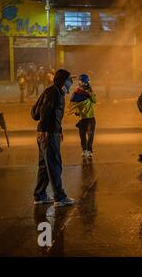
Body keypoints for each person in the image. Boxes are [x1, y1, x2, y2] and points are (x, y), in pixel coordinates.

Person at [33, 69, 75, 207]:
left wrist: (59, 129)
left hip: (50, 131)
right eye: (69, 80)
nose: (71, 83)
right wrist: (44, 130)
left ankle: (40, 195)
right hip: (48, 134)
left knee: (45, 166)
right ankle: (60, 197)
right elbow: (45, 110)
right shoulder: (54, 92)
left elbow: (53, 114)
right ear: (63, 81)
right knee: (54, 165)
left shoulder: (56, 91)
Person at [68, 74, 97, 158]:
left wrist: (89, 92)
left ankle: (89, 150)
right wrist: (76, 111)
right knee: (82, 136)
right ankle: (84, 150)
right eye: (80, 81)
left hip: (91, 118)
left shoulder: (90, 91)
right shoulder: (76, 93)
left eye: (82, 81)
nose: (80, 82)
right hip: (82, 118)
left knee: (90, 135)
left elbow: (95, 100)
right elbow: (72, 105)